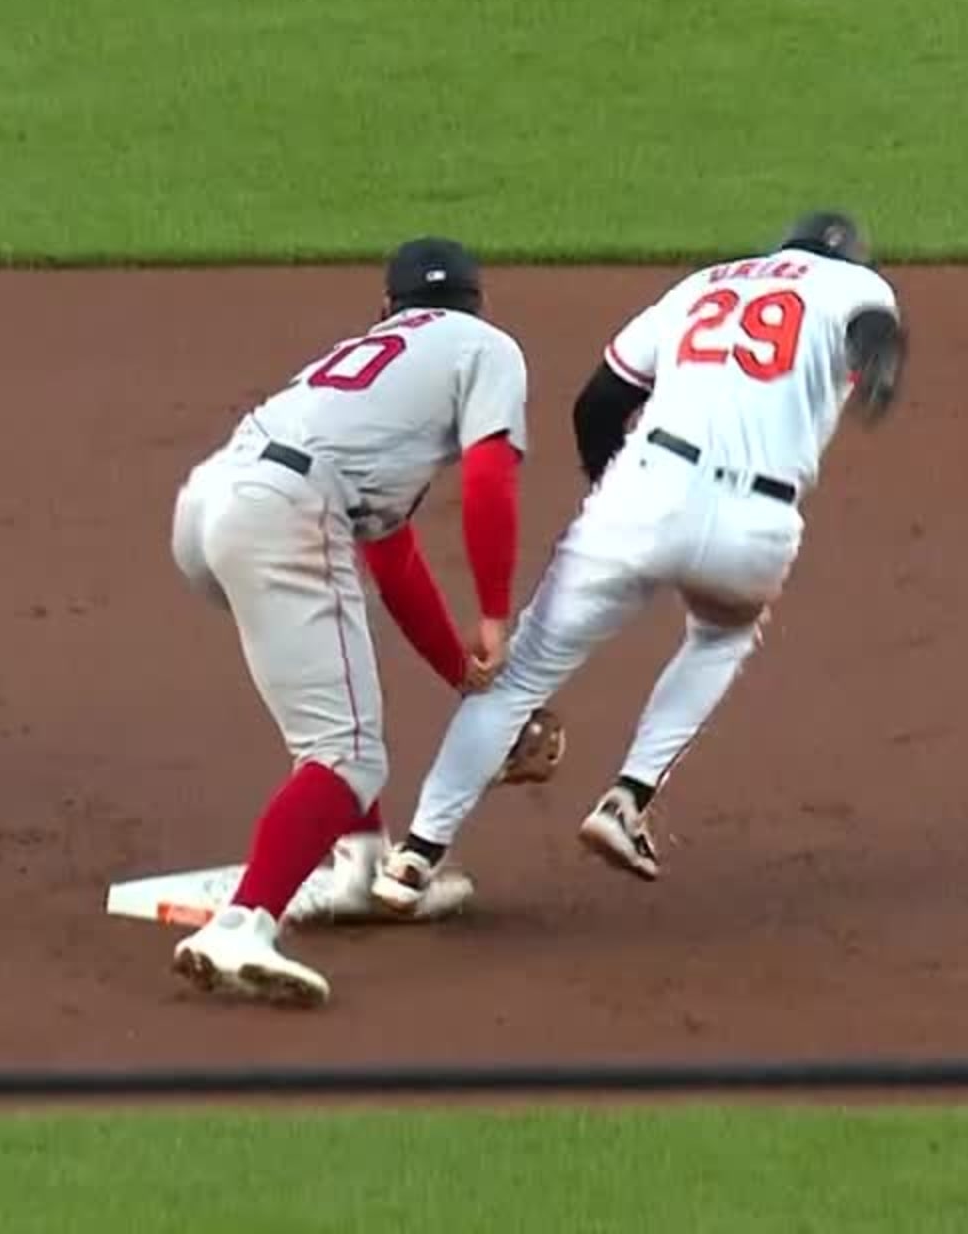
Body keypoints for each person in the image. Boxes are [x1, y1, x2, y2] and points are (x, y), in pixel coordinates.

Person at [371, 211, 905, 911]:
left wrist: (612, 492)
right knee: (721, 636)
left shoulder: (700, 287)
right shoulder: (856, 284)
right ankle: (628, 798)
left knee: (519, 674)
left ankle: (414, 857)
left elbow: (599, 404)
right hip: (756, 521)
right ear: (850, 256)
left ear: (783, 247)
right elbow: (874, 334)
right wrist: (879, 377)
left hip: (642, 493)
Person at [167, 236, 528, 1006]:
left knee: (338, 721)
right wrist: (496, 611)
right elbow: (491, 477)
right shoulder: (487, 349)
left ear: (388, 308)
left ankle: (362, 866)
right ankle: (242, 926)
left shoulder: (369, 368)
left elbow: (391, 555)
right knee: (347, 752)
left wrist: (466, 678)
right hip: (285, 513)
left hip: (209, 504)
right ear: (480, 302)